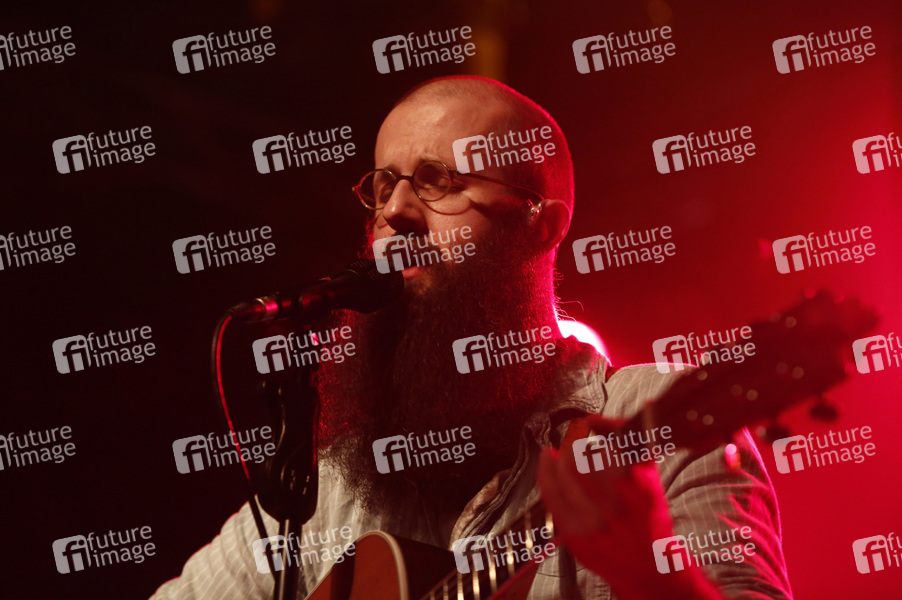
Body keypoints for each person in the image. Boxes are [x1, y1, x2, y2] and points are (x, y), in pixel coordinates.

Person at [151, 76, 792, 599]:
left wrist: (649, 576)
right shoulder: (331, 490)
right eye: (383, 186)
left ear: (540, 227)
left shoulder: (651, 424)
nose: (395, 212)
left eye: (440, 182)